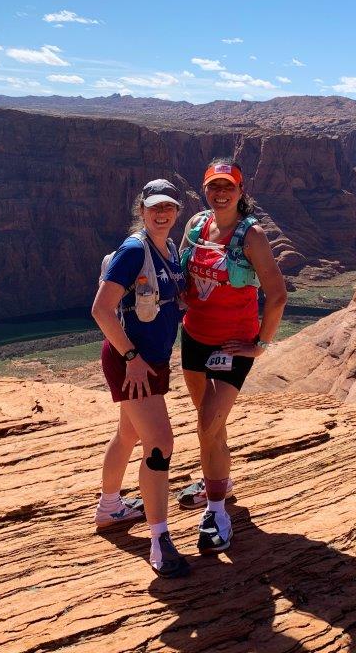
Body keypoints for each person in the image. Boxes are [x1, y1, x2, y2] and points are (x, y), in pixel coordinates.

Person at [178, 158, 287, 553]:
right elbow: (185, 273)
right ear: (204, 189)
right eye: (213, 186)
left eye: (228, 186)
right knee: (209, 423)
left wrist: (260, 344)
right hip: (193, 337)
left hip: (231, 346)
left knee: (208, 423)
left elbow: (277, 295)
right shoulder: (196, 225)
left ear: (241, 191)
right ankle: (216, 479)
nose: (220, 193)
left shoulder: (251, 235)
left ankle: (217, 510)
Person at [91, 178, 190, 578]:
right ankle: (160, 539)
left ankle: (110, 506)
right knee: (160, 442)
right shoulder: (135, 250)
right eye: (154, 208)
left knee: (129, 434)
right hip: (132, 361)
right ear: (143, 211)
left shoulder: (170, 250)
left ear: (177, 211)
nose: (161, 213)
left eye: (168, 207)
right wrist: (130, 356)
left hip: (149, 361)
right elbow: (101, 310)